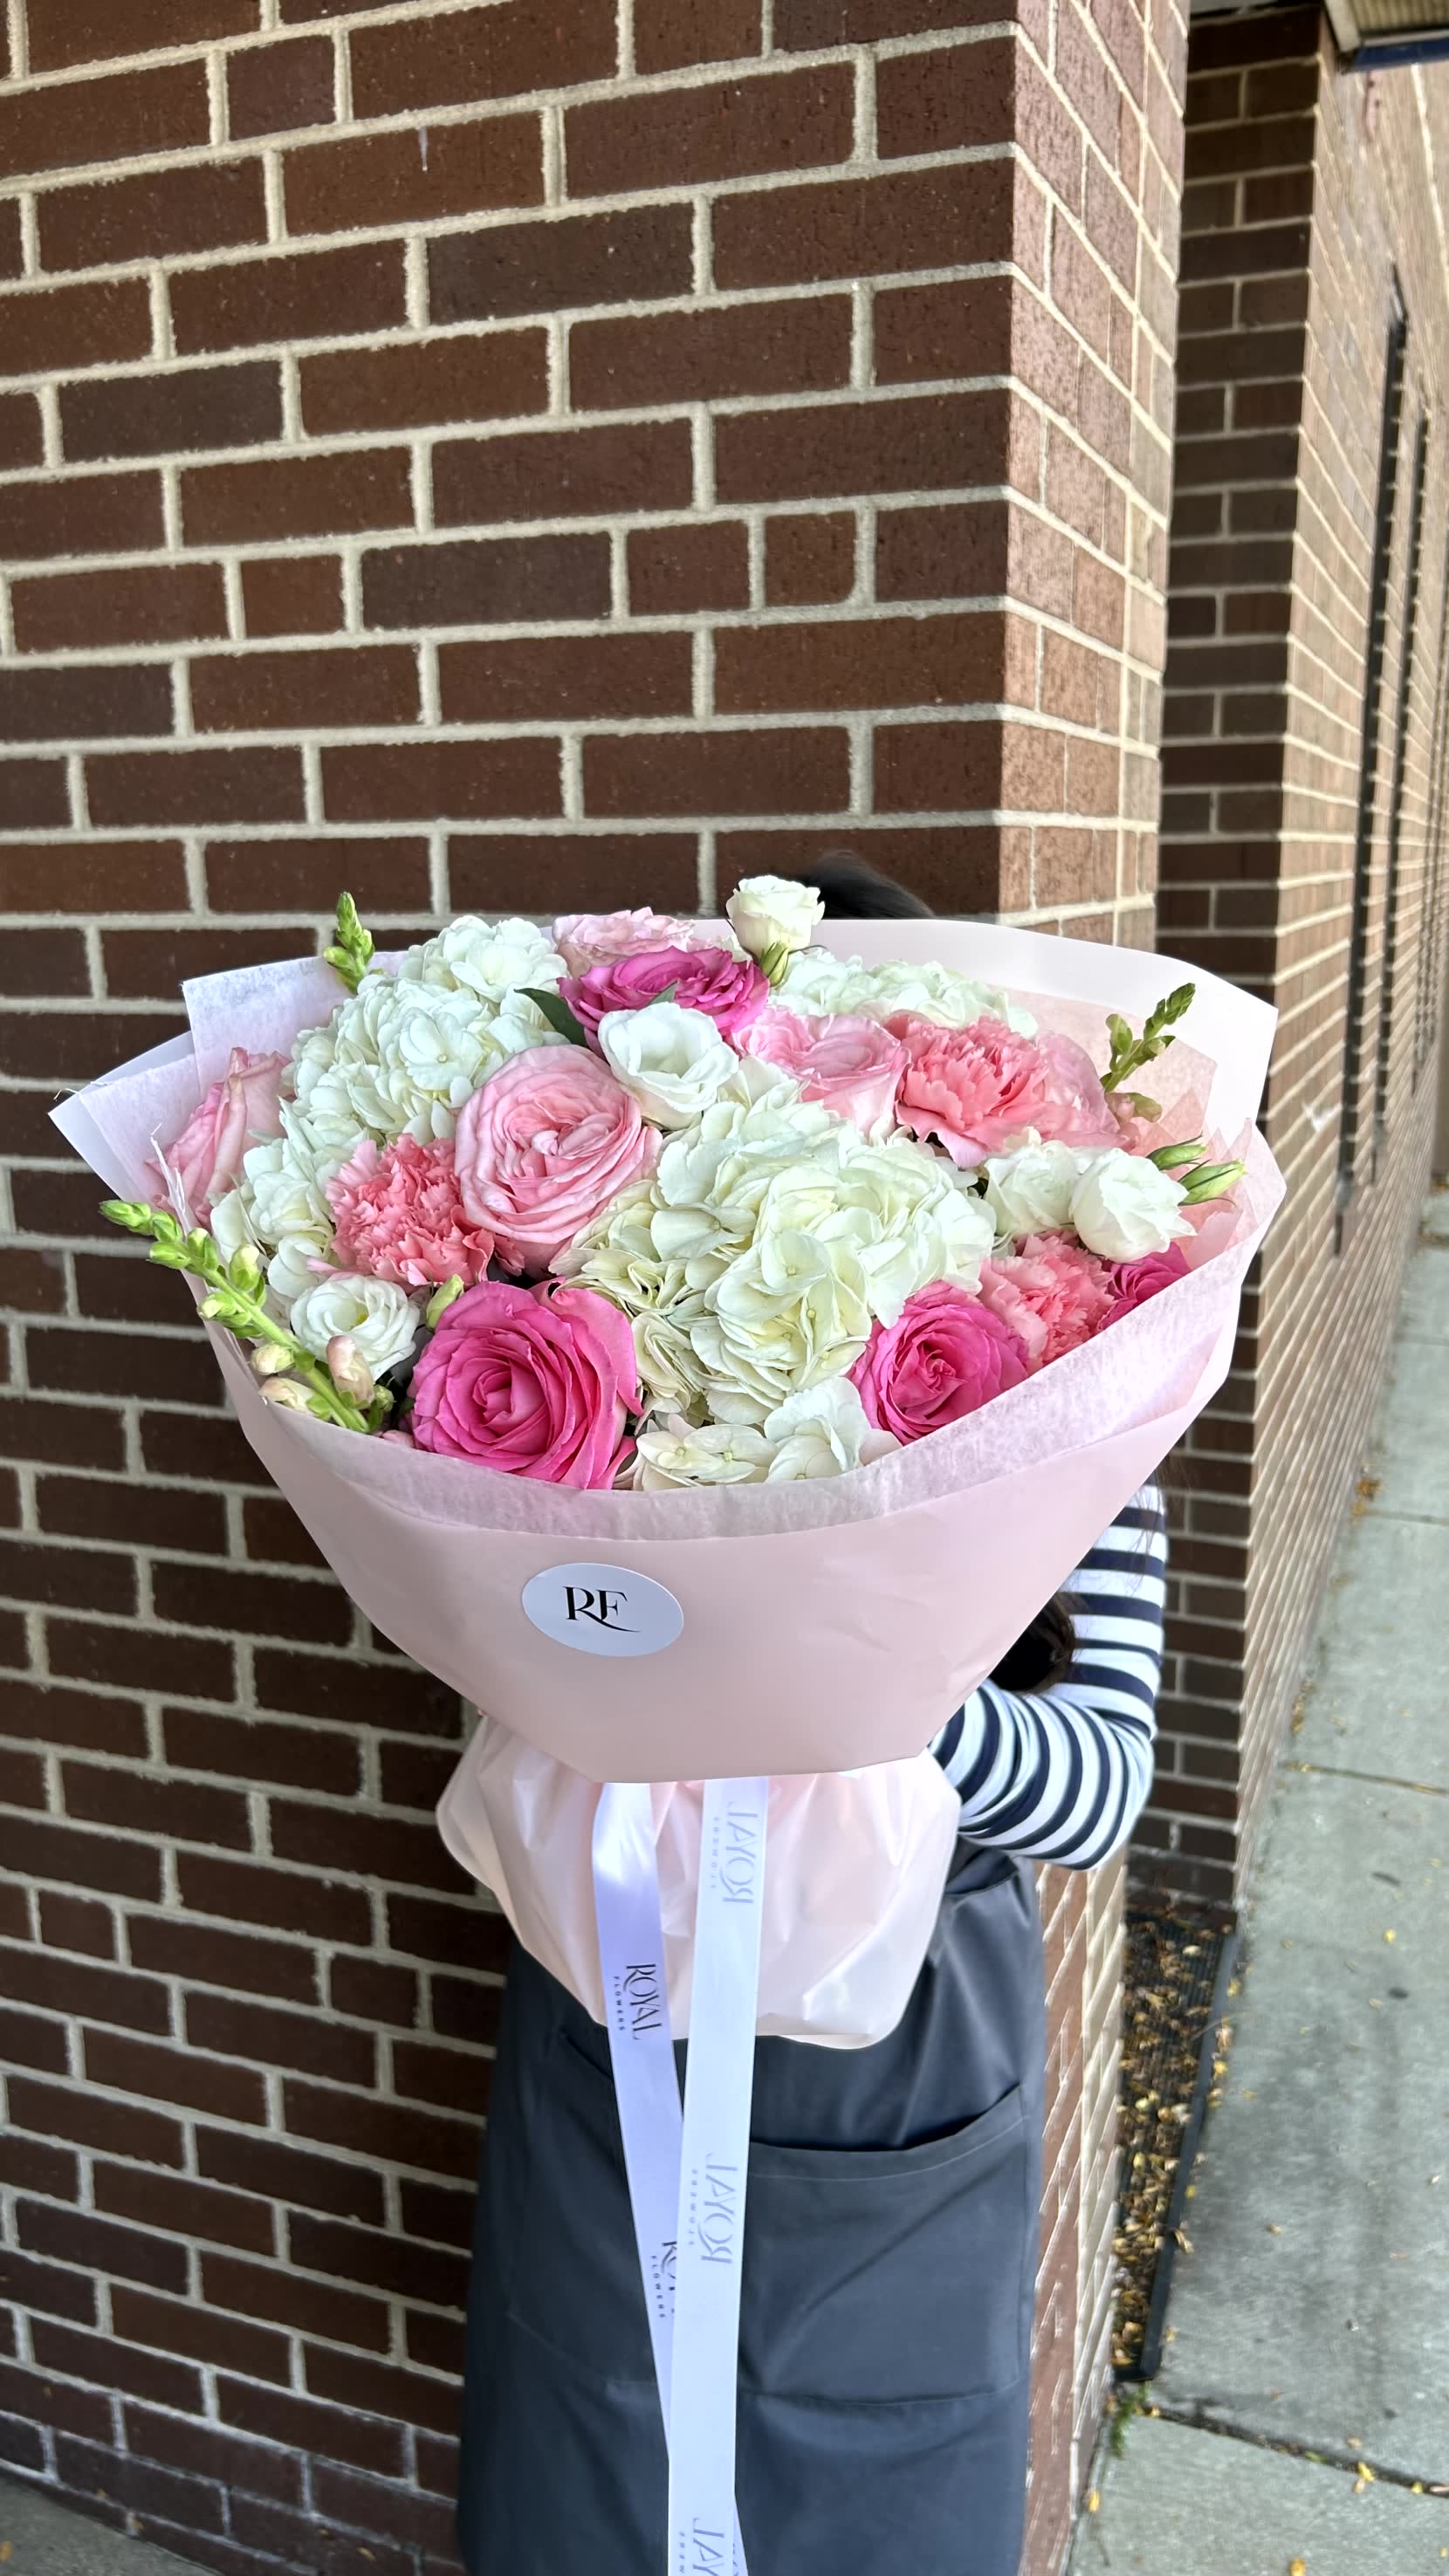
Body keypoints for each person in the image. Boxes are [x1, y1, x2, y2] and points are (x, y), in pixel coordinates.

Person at [455, 859, 1168, 2576]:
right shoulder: (588, 1353)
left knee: (864, 2501)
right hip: (610, 1996)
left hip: (893, 2066)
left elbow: (1098, 1788)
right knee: (588, 2478)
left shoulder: (1081, 1407)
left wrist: (834, 1687)